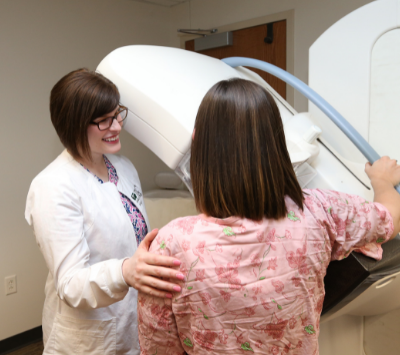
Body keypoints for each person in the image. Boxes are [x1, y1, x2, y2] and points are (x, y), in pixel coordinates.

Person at [137, 78, 400, 355]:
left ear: (197, 142)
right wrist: (382, 181)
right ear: (276, 142)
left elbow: (158, 348)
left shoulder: (170, 244)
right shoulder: (320, 211)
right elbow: (389, 220)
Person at [25, 69, 185, 355]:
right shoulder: (54, 186)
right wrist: (125, 271)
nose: (117, 125)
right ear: (73, 125)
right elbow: (71, 284)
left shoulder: (123, 168)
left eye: (117, 113)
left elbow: (133, 239)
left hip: (130, 323)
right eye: (104, 120)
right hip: (87, 340)